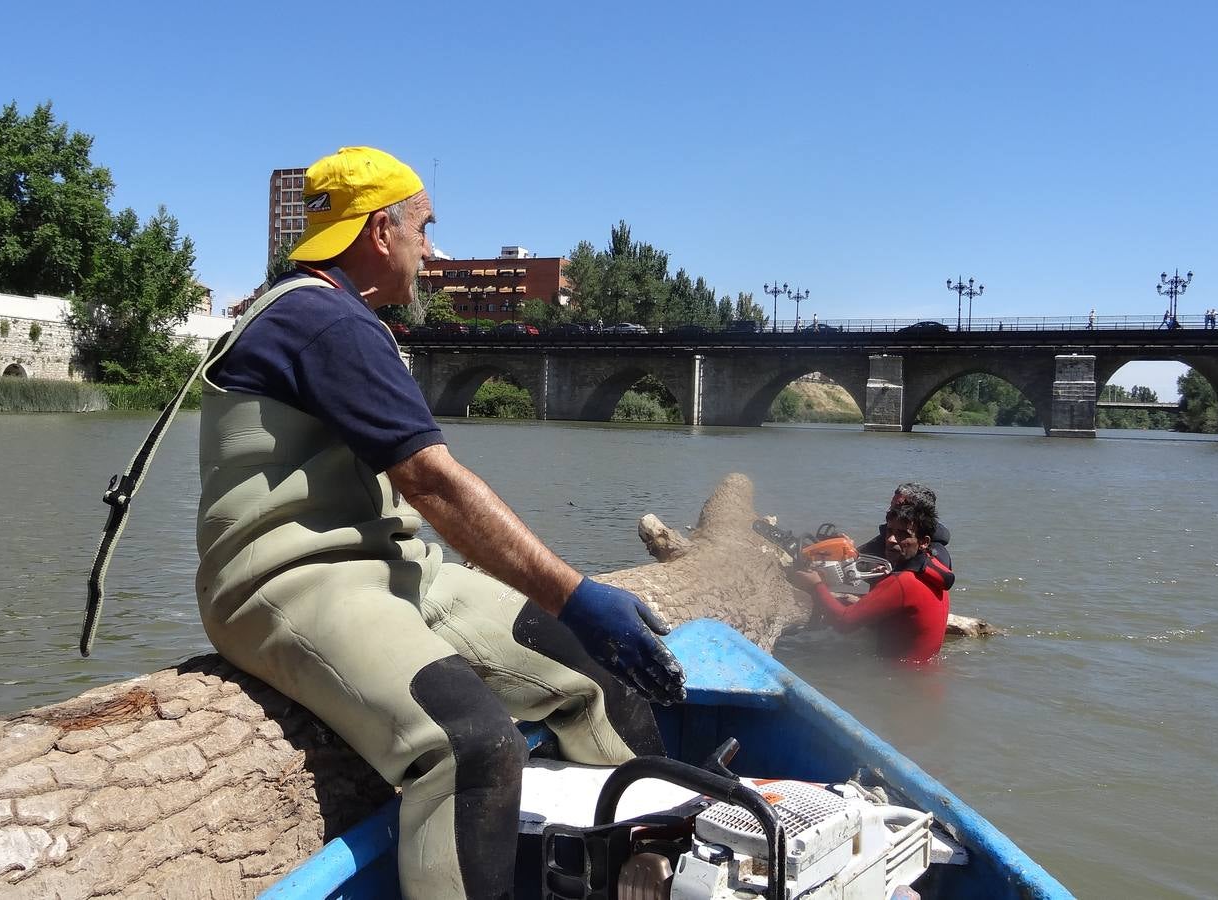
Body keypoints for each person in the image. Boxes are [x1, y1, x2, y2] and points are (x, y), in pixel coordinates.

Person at [194, 146, 683, 899]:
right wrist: (575, 593)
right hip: (286, 585)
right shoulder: (324, 323)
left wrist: (576, 615)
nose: (430, 250)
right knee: (471, 747)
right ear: (379, 231)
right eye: (423, 229)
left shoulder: (330, 312)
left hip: (391, 569)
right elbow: (433, 484)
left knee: (601, 674)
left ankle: (641, 882)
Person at [791, 501, 951, 663]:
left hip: (895, 677)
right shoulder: (934, 569)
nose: (891, 539)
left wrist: (816, 585)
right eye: (889, 531)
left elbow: (844, 624)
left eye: (903, 534)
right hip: (921, 674)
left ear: (924, 541)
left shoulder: (903, 582)